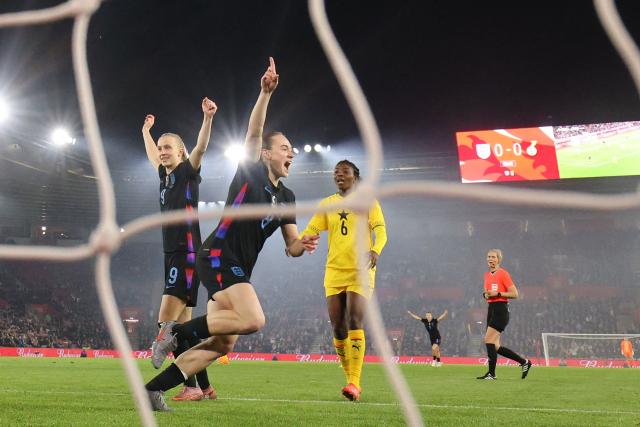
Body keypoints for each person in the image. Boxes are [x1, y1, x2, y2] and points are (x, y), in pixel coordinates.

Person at [145, 57, 319, 411]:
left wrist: (304, 244)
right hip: (218, 256)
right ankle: (174, 332)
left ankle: (152, 389)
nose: (291, 153)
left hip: (238, 268)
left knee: (222, 345)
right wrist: (265, 93)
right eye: (285, 148)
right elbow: (254, 133)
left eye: (291, 149)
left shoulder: (287, 198)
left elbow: (291, 245)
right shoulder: (251, 174)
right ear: (266, 154)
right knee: (254, 319)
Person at [293, 160, 387, 402]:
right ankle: (349, 380)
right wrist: (299, 242)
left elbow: (381, 230)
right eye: (336, 172)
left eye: (344, 172)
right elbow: (312, 229)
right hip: (334, 270)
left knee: (355, 318)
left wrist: (375, 249)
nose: (339, 175)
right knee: (337, 326)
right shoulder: (327, 204)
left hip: (361, 270)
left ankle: (355, 382)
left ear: (355, 176)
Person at [143, 97, 217, 401]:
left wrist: (207, 119)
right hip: (173, 254)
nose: (162, 152)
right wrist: (147, 132)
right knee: (183, 327)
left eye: (167, 148)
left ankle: (189, 386)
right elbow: (152, 156)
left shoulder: (187, 171)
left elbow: (200, 147)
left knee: (166, 324)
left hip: (185, 255)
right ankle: (203, 385)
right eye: (160, 148)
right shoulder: (164, 175)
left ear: (180, 152)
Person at [477, 249, 531, 380]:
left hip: (501, 309)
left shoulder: (503, 274)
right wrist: (485, 294)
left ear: (498, 259)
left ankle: (492, 373)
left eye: (493, 257)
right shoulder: (486, 275)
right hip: (491, 309)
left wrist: (499, 294)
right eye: (489, 256)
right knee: (495, 346)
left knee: (488, 340)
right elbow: (486, 292)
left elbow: (515, 294)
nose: (491, 259)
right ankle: (524, 362)